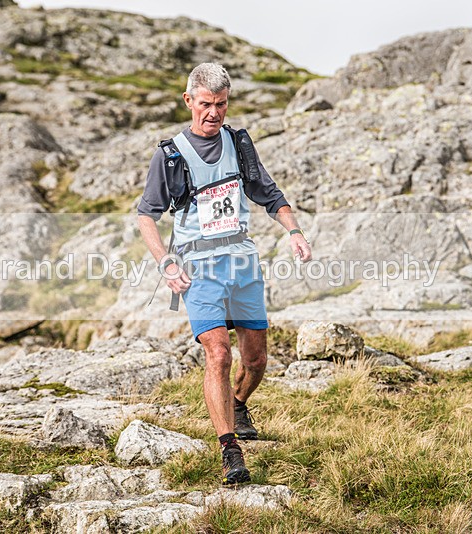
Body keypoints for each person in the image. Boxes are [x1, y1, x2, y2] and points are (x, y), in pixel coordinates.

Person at [138, 63, 312, 485]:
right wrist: (166, 261)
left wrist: (294, 231)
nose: (213, 113)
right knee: (218, 353)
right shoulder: (171, 154)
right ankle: (230, 450)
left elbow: (269, 195)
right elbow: (146, 215)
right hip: (198, 268)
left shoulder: (238, 143)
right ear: (188, 101)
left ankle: (237, 401)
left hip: (243, 263)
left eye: (220, 104)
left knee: (256, 362)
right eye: (205, 104)